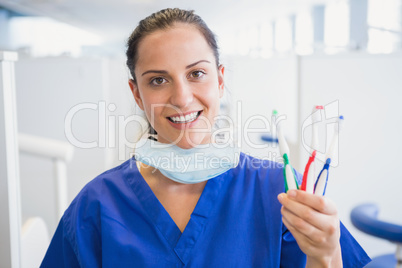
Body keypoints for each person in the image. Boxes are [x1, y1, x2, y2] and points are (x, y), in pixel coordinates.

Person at [41, 8, 371, 267]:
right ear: (137, 95)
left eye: (197, 73)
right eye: (158, 80)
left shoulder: (280, 191)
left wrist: (326, 255)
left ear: (220, 80)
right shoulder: (97, 206)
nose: (182, 98)